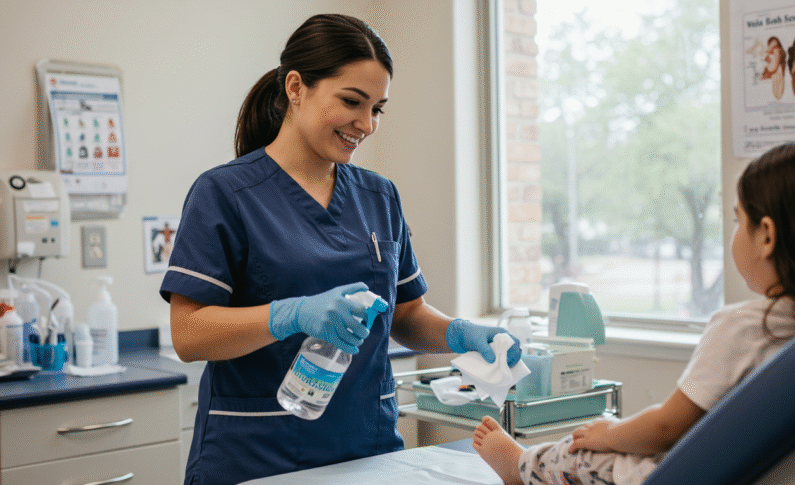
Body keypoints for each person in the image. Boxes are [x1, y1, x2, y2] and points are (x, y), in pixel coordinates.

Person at [160, 13, 521, 485]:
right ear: (296, 87)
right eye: (352, 101)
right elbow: (188, 334)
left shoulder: (379, 196)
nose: (366, 124)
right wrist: (288, 315)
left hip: (367, 451)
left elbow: (405, 314)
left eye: (378, 109)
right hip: (258, 455)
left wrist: (461, 334)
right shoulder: (225, 194)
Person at [472, 142, 795, 485]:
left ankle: (520, 466)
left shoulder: (743, 327)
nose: (734, 232)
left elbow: (666, 428)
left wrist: (609, 434)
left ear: (766, 236)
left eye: (737, 220)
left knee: (585, 451)